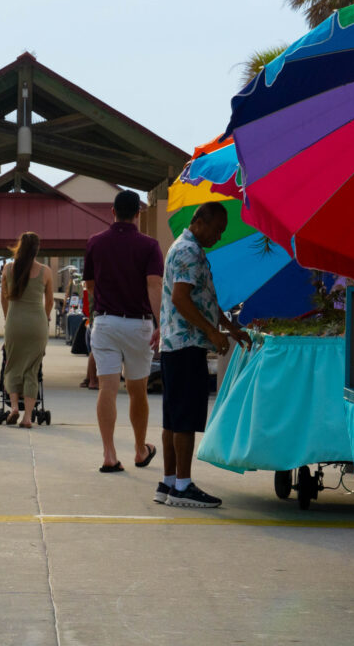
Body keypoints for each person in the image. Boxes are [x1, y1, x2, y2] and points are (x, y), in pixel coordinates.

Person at [155, 201, 250, 508]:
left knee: (172, 418)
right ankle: (182, 486)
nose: (218, 237)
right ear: (200, 222)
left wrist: (228, 327)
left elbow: (203, 298)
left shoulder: (184, 248)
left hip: (176, 345)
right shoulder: (188, 252)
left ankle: (168, 483)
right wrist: (211, 332)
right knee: (184, 418)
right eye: (217, 230)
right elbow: (182, 299)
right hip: (186, 345)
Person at [83, 189, 163, 473]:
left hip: (105, 321)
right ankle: (140, 450)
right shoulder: (150, 246)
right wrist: (159, 322)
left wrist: (98, 312)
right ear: (138, 214)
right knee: (137, 389)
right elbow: (154, 286)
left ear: (113, 213)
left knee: (107, 387)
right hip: (137, 323)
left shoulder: (95, 243)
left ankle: (108, 453)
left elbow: (90, 286)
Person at [0, 232, 54, 428]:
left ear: (19, 247)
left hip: (15, 322)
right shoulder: (45, 271)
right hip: (36, 325)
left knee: (12, 366)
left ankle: (14, 406)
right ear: (37, 249)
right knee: (32, 370)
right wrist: (45, 318)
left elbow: (4, 299)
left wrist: (8, 320)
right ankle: (28, 417)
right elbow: (49, 302)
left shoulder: (8, 269)